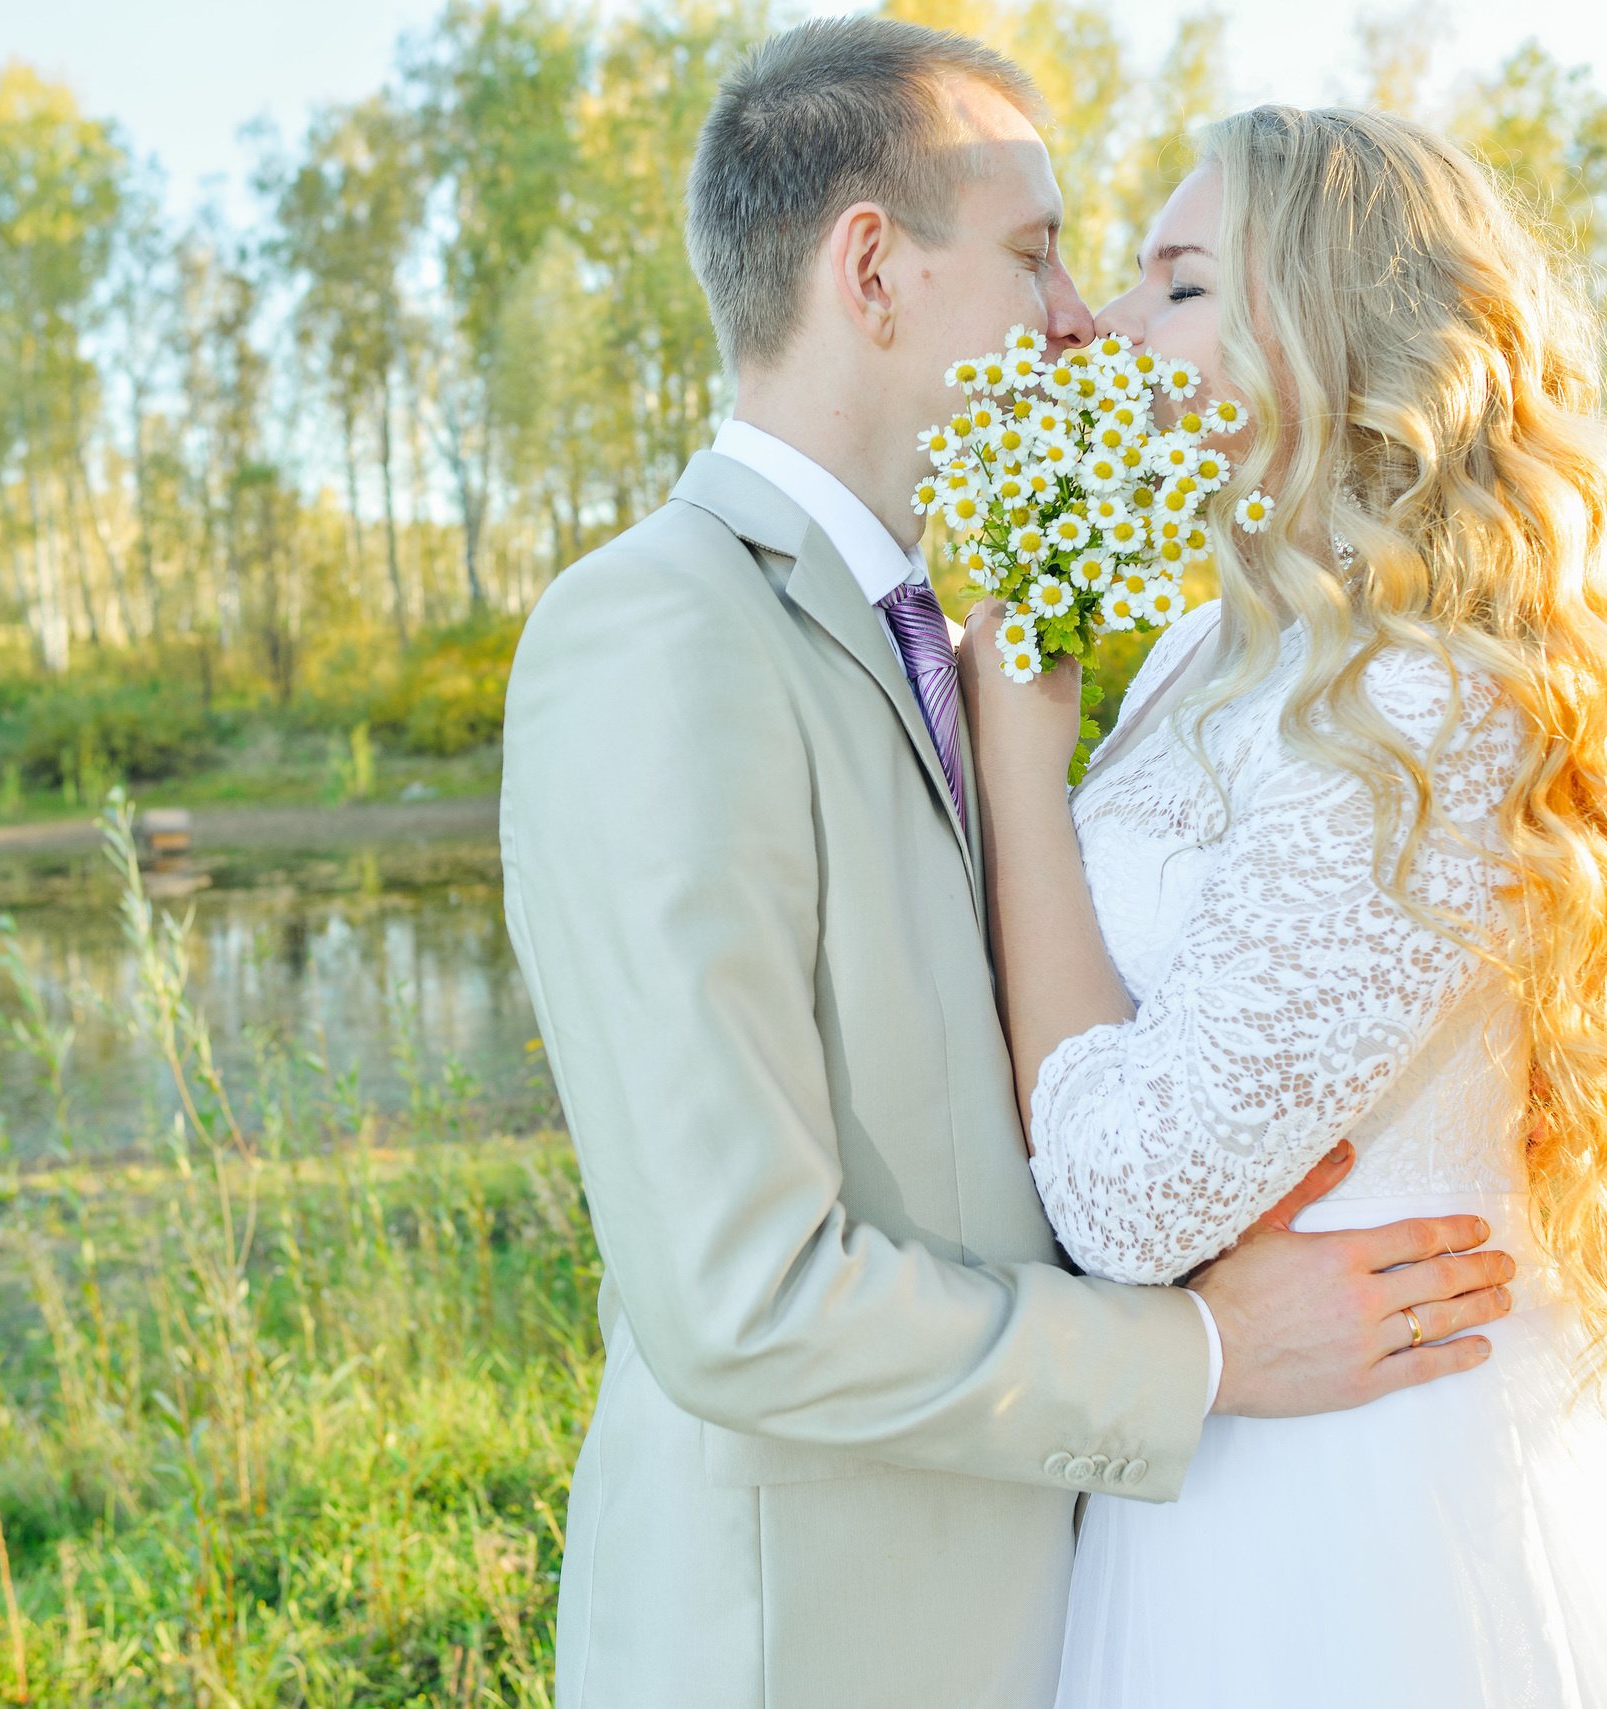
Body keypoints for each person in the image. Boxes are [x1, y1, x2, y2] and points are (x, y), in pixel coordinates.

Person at [500, 24, 1518, 1709]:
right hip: (814, 1643)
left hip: (1070, 1594)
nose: (1079, 319)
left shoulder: (965, 643)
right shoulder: (660, 629)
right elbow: (741, 1293)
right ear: (873, 269)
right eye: (1039, 252)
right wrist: (1202, 1349)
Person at [961, 104, 1607, 1706]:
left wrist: (1014, 772)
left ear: (1335, 340)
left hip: (1383, 1496)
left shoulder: (1422, 706)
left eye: (1179, 285)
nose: (1109, 328)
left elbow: (1125, 1202)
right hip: (1224, 1458)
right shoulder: (1210, 654)